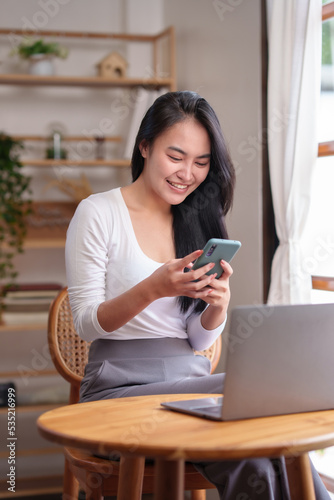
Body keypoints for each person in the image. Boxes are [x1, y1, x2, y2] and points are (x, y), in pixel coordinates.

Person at [65, 91, 330, 500]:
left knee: (256, 457)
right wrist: (155, 287)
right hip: (115, 393)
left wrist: (216, 308)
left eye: (201, 163)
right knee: (255, 397)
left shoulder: (196, 216)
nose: (187, 173)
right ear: (145, 145)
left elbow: (197, 340)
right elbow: (84, 322)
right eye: (176, 156)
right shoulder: (98, 213)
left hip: (189, 384)